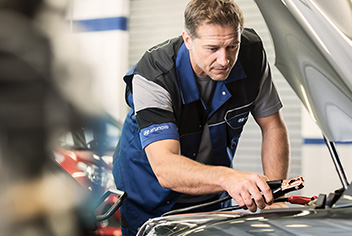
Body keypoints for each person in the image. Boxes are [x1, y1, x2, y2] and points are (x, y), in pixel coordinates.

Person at [112, 0, 290, 235]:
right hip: (149, 198)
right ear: (188, 40)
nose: (225, 60)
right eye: (212, 48)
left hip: (212, 195)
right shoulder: (153, 74)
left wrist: (274, 198)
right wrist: (229, 178)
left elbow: (273, 127)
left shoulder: (251, 54)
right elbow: (165, 167)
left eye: (232, 46)